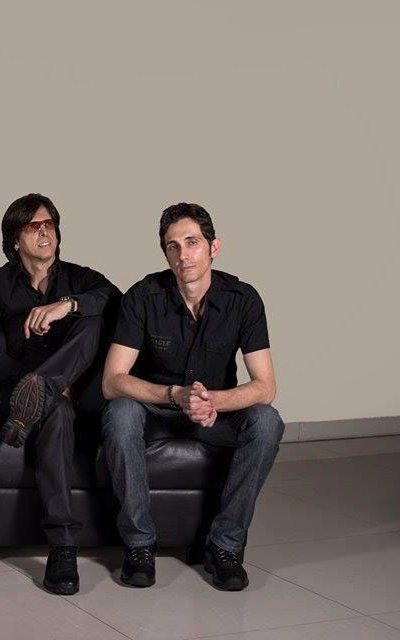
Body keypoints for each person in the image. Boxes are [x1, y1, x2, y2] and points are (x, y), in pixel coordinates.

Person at [100, 202, 282, 591]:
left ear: (214, 247)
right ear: (165, 253)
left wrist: (212, 401)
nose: (183, 255)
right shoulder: (142, 297)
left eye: (192, 242)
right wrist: (174, 395)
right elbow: (112, 381)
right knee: (120, 414)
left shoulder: (243, 299)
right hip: (157, 411)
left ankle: (225, 547)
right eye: (173, 246)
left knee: (267, 421)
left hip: (215, 415)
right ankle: (139, 546)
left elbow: (265, 386)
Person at [0, 193, 120, 595]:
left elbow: (116, 302)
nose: (44, 232)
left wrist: (67, 305)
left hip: (79, 391)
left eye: (49, 224)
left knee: (91, 319)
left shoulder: (81, 278)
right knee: (55, 410)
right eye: (33, 226)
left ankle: (43, 387)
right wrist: (43, 387)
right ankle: (63, 546)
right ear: (14, 239)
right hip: (20, 393)